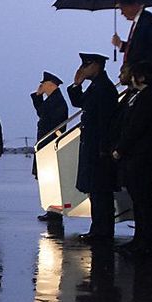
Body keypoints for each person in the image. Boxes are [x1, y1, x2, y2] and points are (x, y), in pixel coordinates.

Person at [111, 61, 152, 256]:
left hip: (144, 152)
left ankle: (146, 242)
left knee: (143, 198)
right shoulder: (138, 96)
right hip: (139, 152)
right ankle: (140, 239)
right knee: (139, 198)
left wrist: (120, 149)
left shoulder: (148, 97)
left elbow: (136, 127)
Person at [67, 53, 119, 241]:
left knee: (101, 192)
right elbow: (79, 103)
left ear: (97, 66)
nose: (83, 69)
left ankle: (103, 231)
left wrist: (103, 149)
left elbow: (106, 123)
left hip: (99, 149)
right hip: (92, 146)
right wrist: (76, 85)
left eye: (87, 65)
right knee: (95, 192)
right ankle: (98, 229)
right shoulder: (96, 87)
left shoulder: (104, 88)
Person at [31, 71, 68, 221]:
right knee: (48, 179)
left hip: (49, 144)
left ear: (51, 84)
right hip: (45, 144)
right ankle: (52, 209)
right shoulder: (52, 100)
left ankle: (55, 211)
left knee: (52, 179)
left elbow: (51, 121)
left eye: (44, 84)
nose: (41, 86)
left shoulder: (57, 101)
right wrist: (37, 96)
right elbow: (42, 113)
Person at [111, 2, 152, 75]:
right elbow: (139, 47)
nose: (122, 13)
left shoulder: (147, 20)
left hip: (150, 73)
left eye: (122, 8)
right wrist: (120, 44)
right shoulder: (140, 21)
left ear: (132, 5)